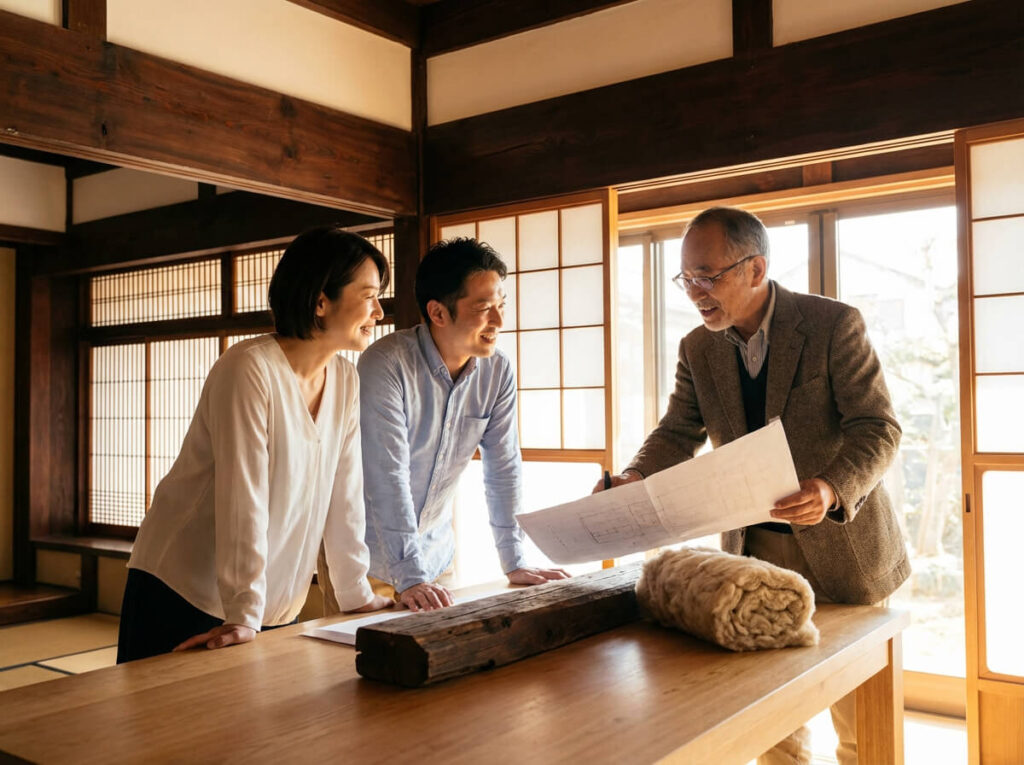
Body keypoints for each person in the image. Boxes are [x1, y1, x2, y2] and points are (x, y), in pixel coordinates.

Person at [599, 207, 909, 765]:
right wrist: (634, 478)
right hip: (756, 559)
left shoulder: (833, 324)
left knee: (862, 733)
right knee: (774, 729)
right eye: (686, 277)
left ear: (756, 269)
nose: (695, 291)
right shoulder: (698, 347)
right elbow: (678, 430)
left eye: (707, 275)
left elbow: (879, 427)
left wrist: (832, 489)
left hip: (846, 549)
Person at [117, 227, 393, 663]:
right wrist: (245, 612)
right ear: (321, 300)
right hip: (184, 587)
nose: (379, 310)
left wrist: (355, 595)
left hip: (265, 600)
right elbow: (242, 496)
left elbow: (345, 498)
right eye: (369, 295)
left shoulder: (345, 379)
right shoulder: (248, 369)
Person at [318, 238, 568, 614]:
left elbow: (503, 468)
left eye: (501, 306)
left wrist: (514, 560)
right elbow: (387, 475)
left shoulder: (497, 371)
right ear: (438, 312)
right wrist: (410, 575)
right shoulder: (385, 364)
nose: (498, 321)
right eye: (484, 308)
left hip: (436, 558)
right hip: (366, 560)